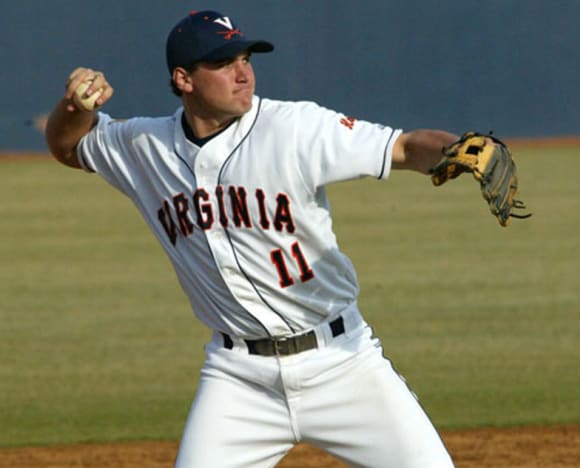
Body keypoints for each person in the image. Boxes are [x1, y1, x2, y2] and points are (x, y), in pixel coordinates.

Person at [46, 9, 459, 467]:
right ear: (183, 79)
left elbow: (403, 146)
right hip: (238, 380)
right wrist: (74, 108)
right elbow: (69, 146)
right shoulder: (145, 147)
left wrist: (456, 150)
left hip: (343, 361)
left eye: (246, 58)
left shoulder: (295, 127)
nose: (243, 74)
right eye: (224, 64)